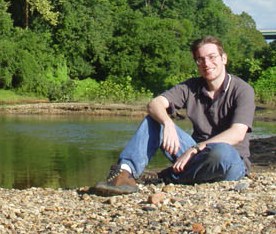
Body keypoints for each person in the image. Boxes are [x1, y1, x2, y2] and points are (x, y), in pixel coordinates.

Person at [85, 35, 254, 195]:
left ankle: (168, 177)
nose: (206, 63)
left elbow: (237, 134)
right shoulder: (191, 87)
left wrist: (195, 148)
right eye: (200, 59)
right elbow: (154, 104)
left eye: (212, 57)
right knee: (154, 120)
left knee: (221, 152)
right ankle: (124, 173)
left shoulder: (242, 90)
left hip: (231, 161)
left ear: (224, 58)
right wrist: (168, 123)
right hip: (195, 155)